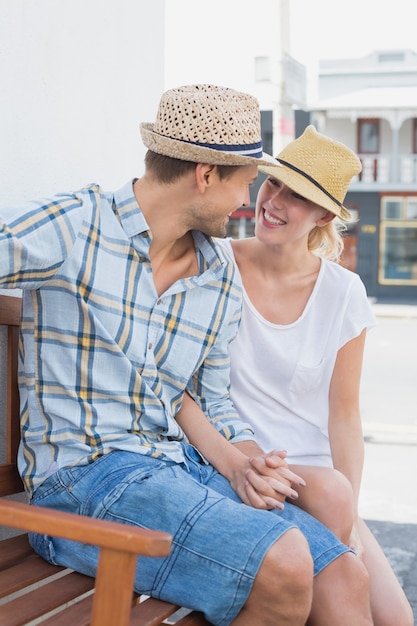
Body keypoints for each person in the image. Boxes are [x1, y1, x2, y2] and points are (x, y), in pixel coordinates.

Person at [0, 86, 374, 626]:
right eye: (246, 183)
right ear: (205, 175)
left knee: (343, 576)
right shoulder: (76, 227)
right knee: (286, 561)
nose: (247, 202)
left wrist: (244, 465)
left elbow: (213, 401)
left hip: (180, 466)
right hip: (84, 480)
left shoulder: (218, 276)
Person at [177, 125, 413, 625]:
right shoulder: (217, 263)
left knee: (396, 618)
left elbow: (344, 414)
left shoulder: (344, 292)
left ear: (324, 215)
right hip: (242, 465)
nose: (274, 201)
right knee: (340, 596)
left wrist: (348, 521)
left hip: (320, 483)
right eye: (274, 183)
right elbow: (177, 379)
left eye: (297, 195)